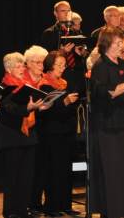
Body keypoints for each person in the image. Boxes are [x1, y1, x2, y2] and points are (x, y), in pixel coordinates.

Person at [88, 27, 124, 217]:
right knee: (113, 171)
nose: (121, 46)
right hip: (109, 127)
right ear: (106, 44)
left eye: (122, 43)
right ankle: (113, 210)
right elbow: (102, 94)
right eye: (118, 43)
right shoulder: (100, 66)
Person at [0, 49, 50, 218]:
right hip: (12, 136)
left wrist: (39, 108)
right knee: (13, 176)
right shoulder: (5, 85)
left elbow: (30, 108)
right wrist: (27, 108)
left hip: (28, 136)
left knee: (27, 176)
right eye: (17, 66)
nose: (21, 68)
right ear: (8, 69)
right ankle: (10, 211)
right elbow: (9, 108)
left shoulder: (26, 85)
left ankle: (22, 210)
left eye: (22, 65)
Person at [33, 51, 80, 216]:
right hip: (51, 134)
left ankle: (65, 204)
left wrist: (70, 103)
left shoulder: (65, 83)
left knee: (66, 170)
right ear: (50, 65)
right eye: (58, 64)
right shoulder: (44, 84)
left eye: (63, 64)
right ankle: (52, 207)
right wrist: (65, 102)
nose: (62, 67)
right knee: (53, 170)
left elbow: (71, 107)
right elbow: (45, 112)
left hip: (66, 132)